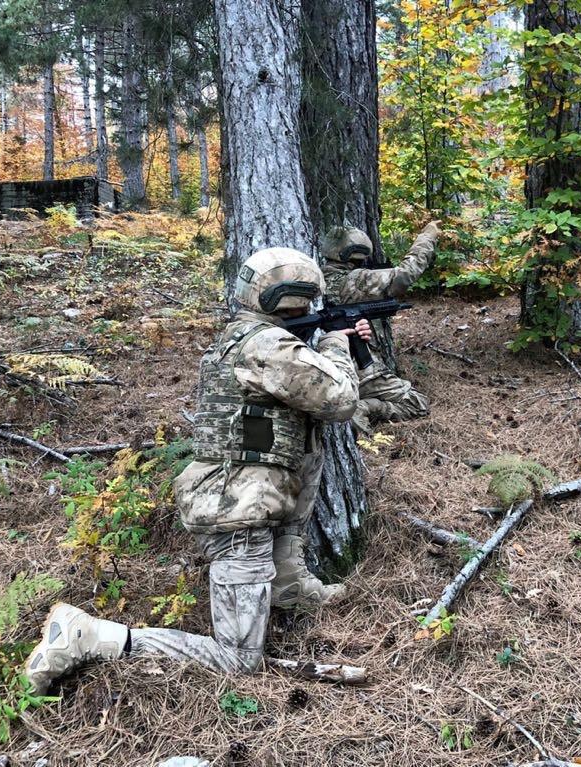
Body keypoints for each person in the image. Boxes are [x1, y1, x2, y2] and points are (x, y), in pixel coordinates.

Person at [25, 247, 371, 692]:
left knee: (287, 489)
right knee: (238, 661)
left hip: (250, 500)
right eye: (300, 302)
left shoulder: (250, 337)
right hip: (238, 514)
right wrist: (336, 344)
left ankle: (287, 585)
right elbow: (340, 400)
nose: (302, 308)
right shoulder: (266, 344)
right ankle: (90, 636)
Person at [321, 221, 440, 435]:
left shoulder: (319, 278)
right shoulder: (355, 281)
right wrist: (426, 238)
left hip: (330, 367)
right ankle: (363, 407)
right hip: (361, 371)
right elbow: (404, 275)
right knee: (418, 404)